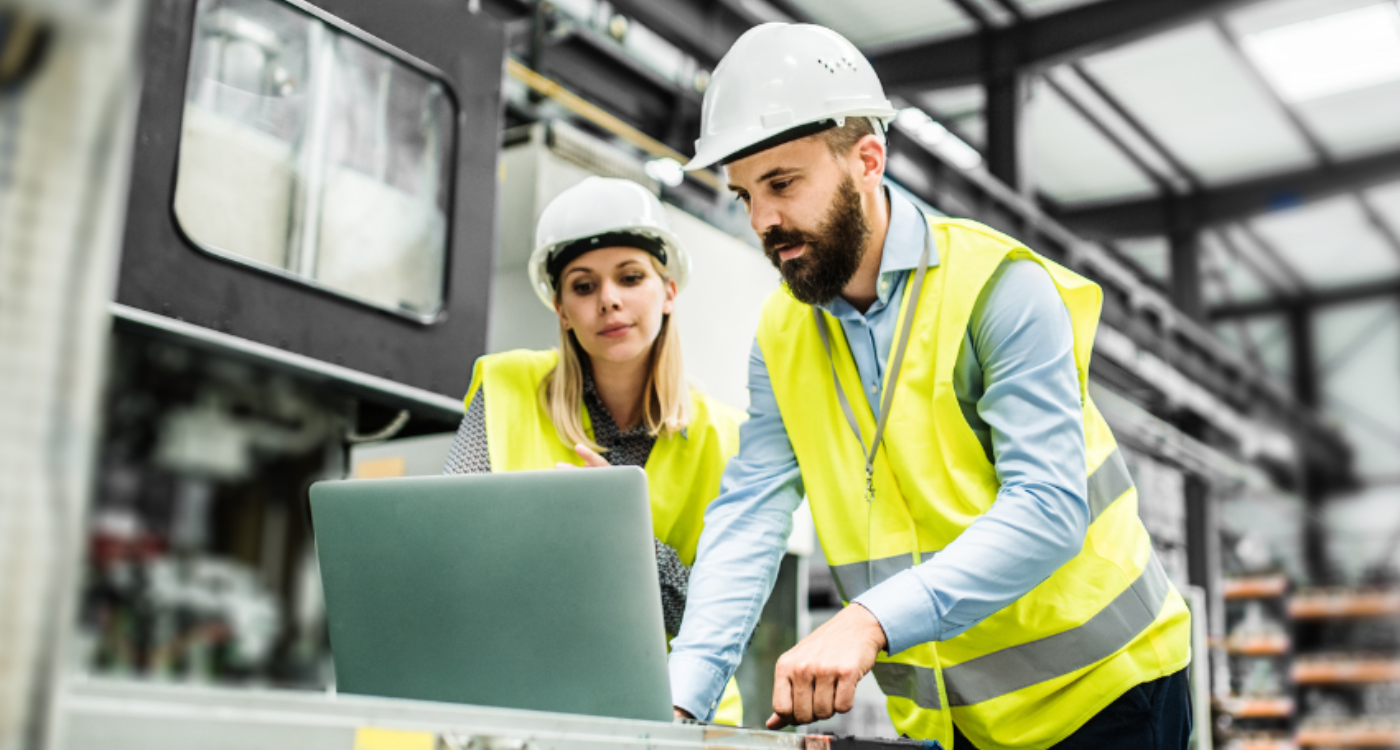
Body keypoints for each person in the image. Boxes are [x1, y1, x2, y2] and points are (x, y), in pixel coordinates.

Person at [667, 23, 1192, 749]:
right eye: (745, 194)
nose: (763, 221)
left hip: (1110, 693)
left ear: (867, 161)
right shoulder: (782, 334)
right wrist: (681, 700)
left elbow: (1048, 508)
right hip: (964, 721)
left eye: (783, 184)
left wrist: (870, 620)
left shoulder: (998, 290)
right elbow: (751, 512)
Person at [442, 176, 744, 725]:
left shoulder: (725, 436)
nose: (609, 300)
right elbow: (452, 552)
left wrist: (617, 531)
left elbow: (712, 614)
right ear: (561, 309)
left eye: (630, 278)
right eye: (583, 287)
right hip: (530, 705)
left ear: (668, 290)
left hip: (679, 717)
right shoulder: (506, 387)